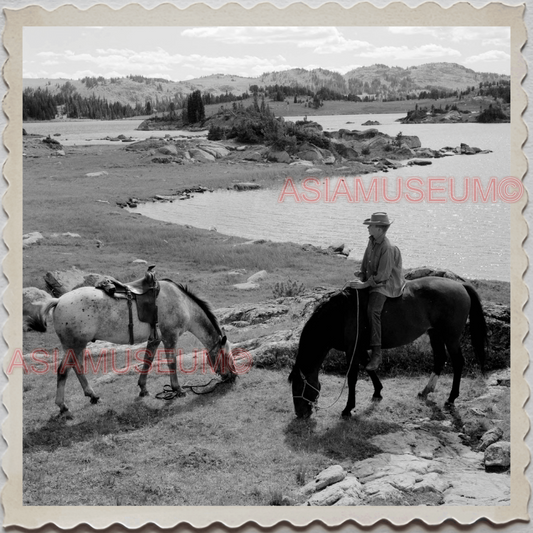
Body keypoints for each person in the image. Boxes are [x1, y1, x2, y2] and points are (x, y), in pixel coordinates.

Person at [349, 212, 405, 371]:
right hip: (374, 280)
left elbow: (382, 276)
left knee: (373, 310)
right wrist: (361, 274)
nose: (368, 227)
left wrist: (364, 284)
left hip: (385, 284)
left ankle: (376, 354)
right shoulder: (372, 241)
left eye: (371, 225)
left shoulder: (387, 247)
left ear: (379, 229)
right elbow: (366, 264)